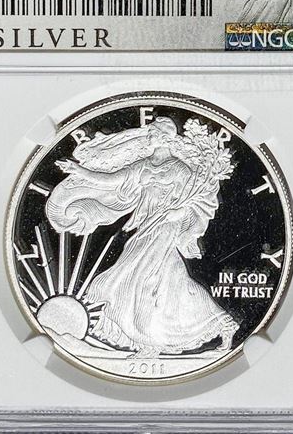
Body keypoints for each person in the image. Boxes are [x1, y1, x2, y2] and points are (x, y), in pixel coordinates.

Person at [46, 117, 238, 357]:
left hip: (167, 225)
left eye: (155, 133)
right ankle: (220, 324)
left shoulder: (181, 169)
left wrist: (180, 211)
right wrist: (80, 171)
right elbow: (111, 180)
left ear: (166, 137)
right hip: (147, 224)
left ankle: (151, 341)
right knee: (167, 279)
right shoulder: (143, 165)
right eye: (151, 132)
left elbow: (197, 199)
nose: (151, 136)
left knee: (140, 276)